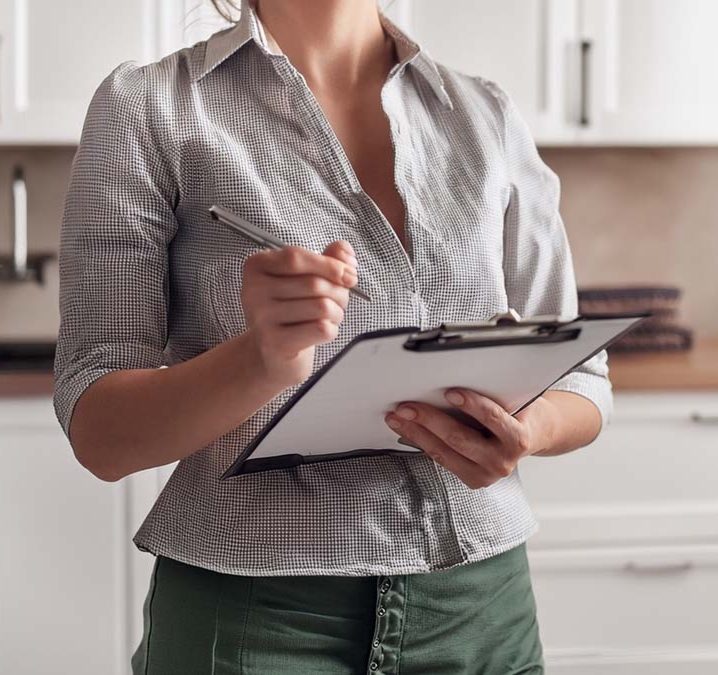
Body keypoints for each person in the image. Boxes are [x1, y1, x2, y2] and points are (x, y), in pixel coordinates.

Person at [55, 0, 612, 672]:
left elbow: (582, 384)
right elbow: (100, 432)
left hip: (482, 610)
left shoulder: (485, 116)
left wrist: (530, 429)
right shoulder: (148, 110)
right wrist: (258, 361)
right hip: (255, 619)